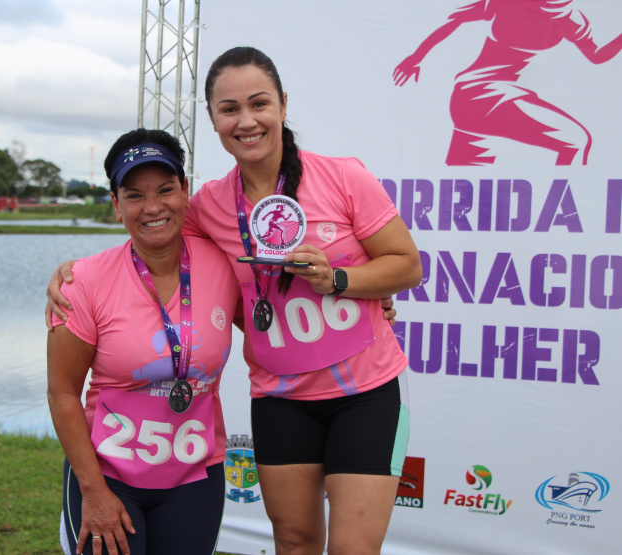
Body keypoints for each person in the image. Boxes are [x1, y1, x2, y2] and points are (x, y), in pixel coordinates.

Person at [48, 46, 422, 555]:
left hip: (365, 390)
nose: (246, 121)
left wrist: (340, 280)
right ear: (213, 119)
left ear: (283, 105)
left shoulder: (343, 176)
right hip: (281, 397)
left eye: (259, 103)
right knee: (294, 542)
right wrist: (73, 274)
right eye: (229, 109)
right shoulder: (207, 206)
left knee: (353, 549)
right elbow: (152, 231)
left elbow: (407, 265)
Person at [47, 128, 240, 555]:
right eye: (134, 196)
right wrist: (93, 492)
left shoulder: (225, 266)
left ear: (184, 191)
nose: (153, 207)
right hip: (108, 476)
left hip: (194, 476)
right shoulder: (84, 282)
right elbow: (62, 393)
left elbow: (274, 317)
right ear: (116, 205)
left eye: (165, 190)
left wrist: (372, 302)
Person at [393, 0, 622, 166]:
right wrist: (415, 58)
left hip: (475, 101)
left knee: (462, 190)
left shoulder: (570, 19)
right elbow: (456, 19)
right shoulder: (508, 4)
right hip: (482, 95)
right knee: (576, 141)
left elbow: (596, 55)